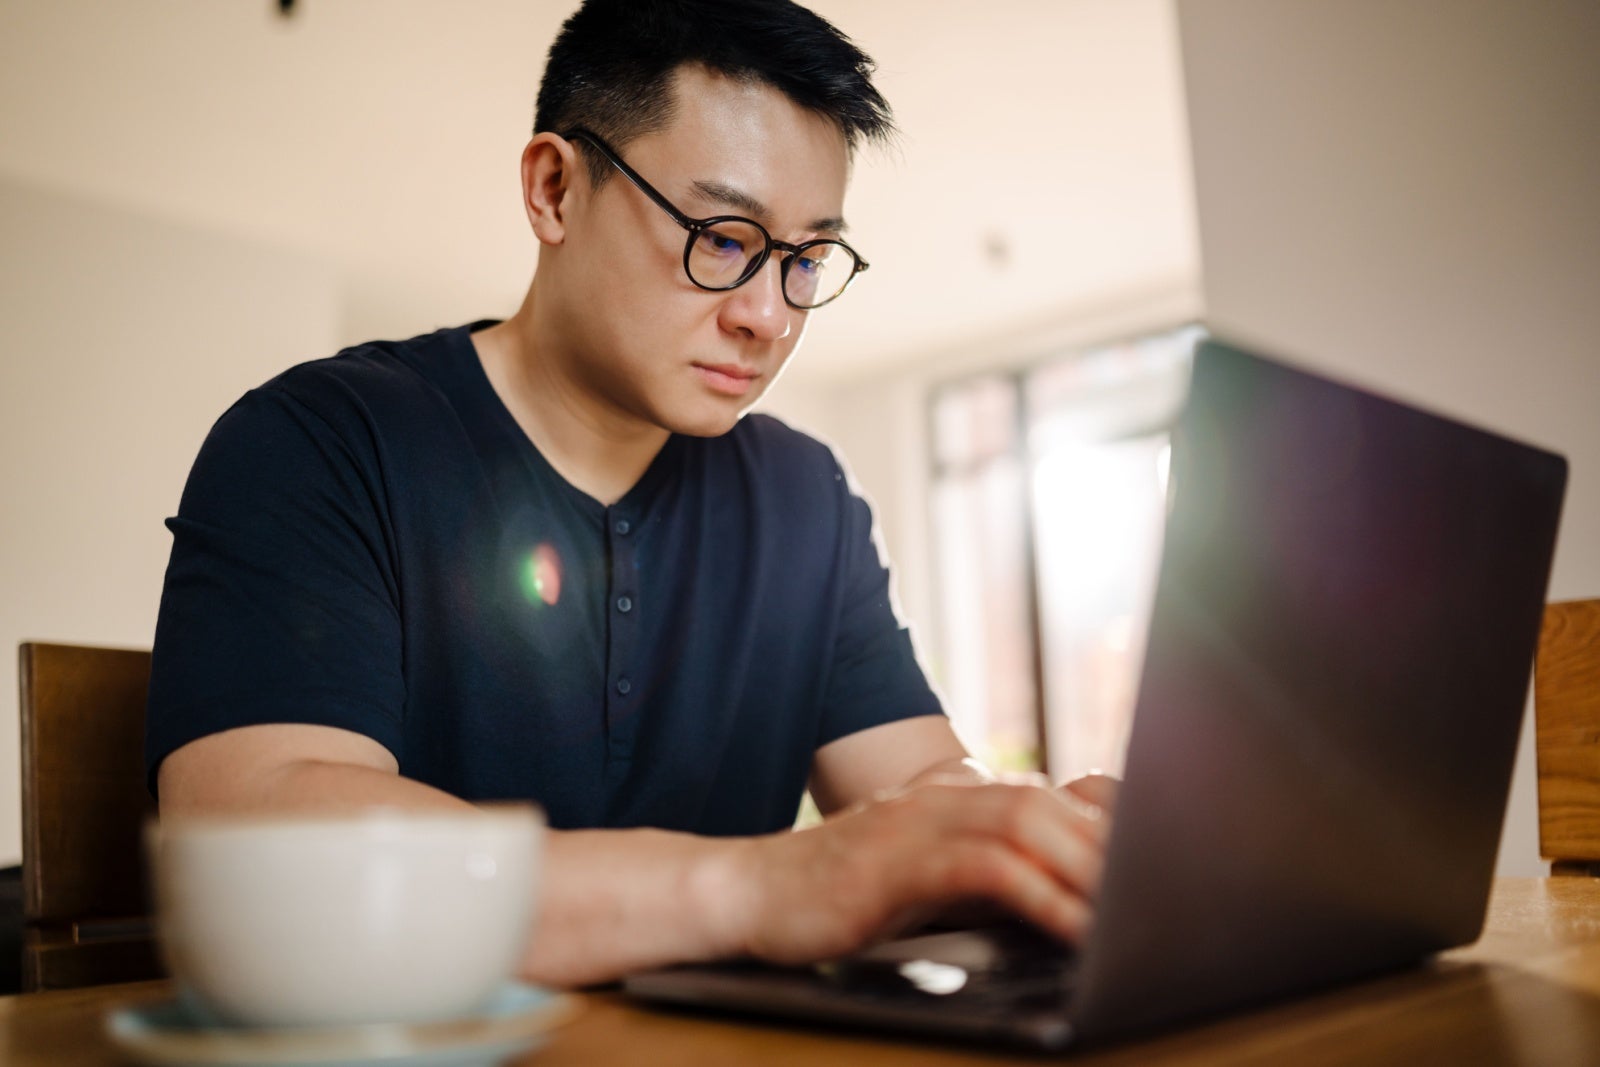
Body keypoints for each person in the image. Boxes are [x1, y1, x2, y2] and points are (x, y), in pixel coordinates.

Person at [146, 0, 1112, 988]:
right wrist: (754, 886)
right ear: (555, 189)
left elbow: (914, 786)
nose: (768, 316)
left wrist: (1038, 832)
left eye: (807, 258)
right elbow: (263, 838)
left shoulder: (804, 498)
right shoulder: (322, 441)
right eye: (723, 236)